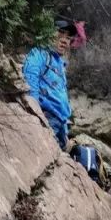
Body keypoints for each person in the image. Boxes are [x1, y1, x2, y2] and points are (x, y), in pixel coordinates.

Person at [23, 19, 83, 150]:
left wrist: (65, 132)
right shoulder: (39, 54)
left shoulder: (60, 64)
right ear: (49, 34)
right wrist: (36, 116)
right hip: (47, 118)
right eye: (60, 34)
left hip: (60, 122)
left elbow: (62, 98)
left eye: (68, 38)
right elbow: (30, 82)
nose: (64, 41)